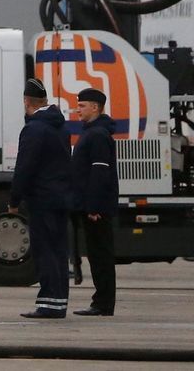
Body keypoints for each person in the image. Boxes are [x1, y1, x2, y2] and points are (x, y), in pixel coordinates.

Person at [9, 77, 74, 319]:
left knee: (44, 250)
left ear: (27, 102)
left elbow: (24, 167)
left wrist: (14, 199)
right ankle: (58, 303)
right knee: (58, 251)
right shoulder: (61, 127)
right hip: (60, 198)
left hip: (42, 200)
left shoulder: (34, 129)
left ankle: (48, 304)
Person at [70, 86, 119, 317]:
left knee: (101, 256)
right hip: (93, 205)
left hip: (96, 208)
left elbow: (99, 173)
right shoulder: (93, 132)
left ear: (95, 107)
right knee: (99, 254)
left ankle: (103, 303)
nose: (77, 109)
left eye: (82, 106)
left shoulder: (97, 135)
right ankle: (101, 301)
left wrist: (94, 206)